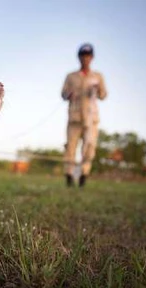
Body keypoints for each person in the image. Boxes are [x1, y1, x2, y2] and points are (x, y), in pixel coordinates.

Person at [61, 43, 108, 187]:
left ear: (92, 57)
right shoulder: (71, 76)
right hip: (74, 118)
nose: (85, 58)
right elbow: (63, 94)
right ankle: (69, 177)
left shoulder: (98, 76)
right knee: (71, 148)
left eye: (88, 56)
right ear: (79, 57)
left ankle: (83, 176)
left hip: (91, 119)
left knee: (89, 148)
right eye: (82, 56)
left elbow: (103, 95)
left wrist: (98, 88)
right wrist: (68, 94)